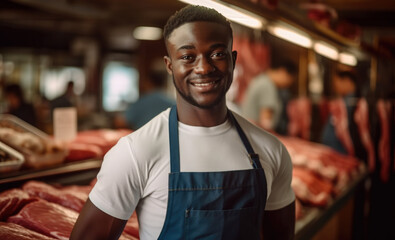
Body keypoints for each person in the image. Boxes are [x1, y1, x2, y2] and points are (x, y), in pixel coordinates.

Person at [71, 5, 295, 240]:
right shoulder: (136, 152)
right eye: (188, 57)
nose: (204, 68)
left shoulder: (271, 149)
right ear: (170, 66)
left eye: (217, 54)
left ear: (233, 59)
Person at [241, 60, 297, 132]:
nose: (288, 85)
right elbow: (266, 122)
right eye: (290, 80)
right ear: (283, 72)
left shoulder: (262, 80)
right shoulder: (267, 85)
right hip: (255, 133)